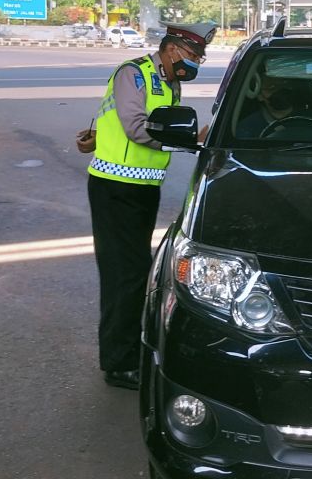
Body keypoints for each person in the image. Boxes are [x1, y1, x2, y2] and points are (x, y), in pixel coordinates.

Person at [86, 21, 215, 390]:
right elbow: (134, 126)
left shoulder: (168, 83)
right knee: (123, 274)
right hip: (116, 187)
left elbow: (107, 116)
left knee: (136, 271)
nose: (196, 64)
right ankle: (118, 361)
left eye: (200, 58)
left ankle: (127, 348)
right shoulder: (135, 74)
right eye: (193, 56)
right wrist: (188, 139)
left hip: (141, 187)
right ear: (173, 49)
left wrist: (92, 134)